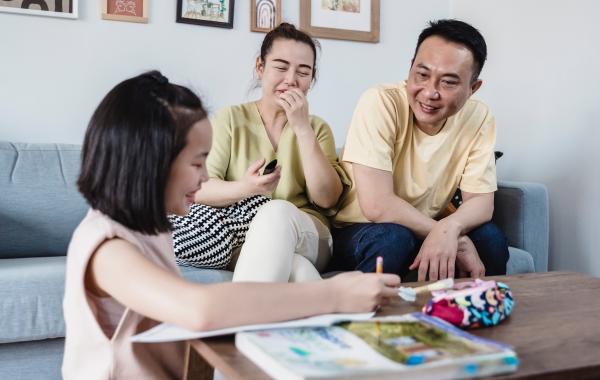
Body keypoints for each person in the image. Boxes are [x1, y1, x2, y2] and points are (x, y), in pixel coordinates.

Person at [62, 71, 400, 379]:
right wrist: (334, 294)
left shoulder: (151, 230)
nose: (207, 176)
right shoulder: (107, 248)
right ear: (150, 162)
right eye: (197, 162)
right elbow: (199, 310)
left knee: (297, 270)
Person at [329, 19, 510, 282]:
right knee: (394, 238)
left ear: (473, 88)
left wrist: (450, 228)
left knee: (490, 238)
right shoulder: (380, 102)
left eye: (448, 82)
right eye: (422, 75)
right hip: (361, 229)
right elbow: (377, 205)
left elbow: (481, 203)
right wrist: (451, 238)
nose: (429, 92)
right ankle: (364, 321)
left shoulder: (479, 117)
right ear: (410, 67)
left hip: (426, 225)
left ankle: (478, 314)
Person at [194, 23, 347, 282]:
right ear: (260, 67)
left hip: (309, 234)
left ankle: (242, 315)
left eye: (303, 71)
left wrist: (302, 127)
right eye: (280, 66)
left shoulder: (317, 128)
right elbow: (200, 188)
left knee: (276, 211)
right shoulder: (230, 119)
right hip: (245, 236)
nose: (291, 79)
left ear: (312, 78)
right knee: (297, 270)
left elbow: (327, 199)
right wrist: (246, 188)